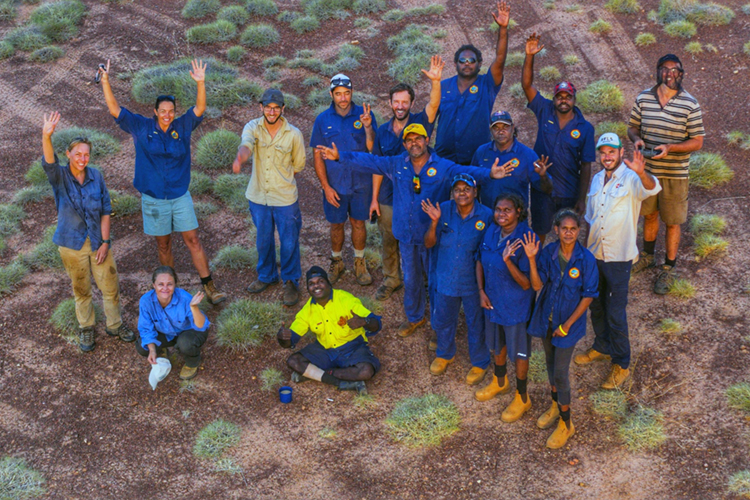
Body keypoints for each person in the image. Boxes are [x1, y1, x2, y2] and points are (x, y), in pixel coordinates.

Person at [316, 124, 510, 339]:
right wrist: (339, 157)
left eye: (418, 139)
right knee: (411, 279)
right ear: (405, 143)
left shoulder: (442, 166)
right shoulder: (397, 163)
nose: (414, 143)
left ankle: (440, 326)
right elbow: (370, 161)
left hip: (432, 236)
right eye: (409, 140)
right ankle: (415, 317)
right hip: (407, 236)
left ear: (427, 140)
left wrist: (490, 174)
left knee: (436, 282)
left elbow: (465, 171)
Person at [97, 59, 226, 304]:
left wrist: (201, 83)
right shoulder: (141, 127)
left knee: (193, 240)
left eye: (171, 111)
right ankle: (172, 291)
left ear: (175, 112)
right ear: (155, 112)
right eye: (163, 111)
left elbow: (199, 109)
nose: (167, 115)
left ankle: (209, 286)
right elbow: (115, 110)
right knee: (164, 245)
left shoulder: (182, 126)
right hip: (154, 199)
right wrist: (105, 81)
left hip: (179, 195)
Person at [41, 111, 135, 352]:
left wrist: (105, 242)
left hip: (97, 241)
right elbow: (49, 162)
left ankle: (115, 325)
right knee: (81, 289)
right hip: (71, 244)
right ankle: (86, 327)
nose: (82, 158)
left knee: (110, 286)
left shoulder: (96, 176)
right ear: (69, 155)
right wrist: (46, 135)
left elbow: (105, 209)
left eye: (86, 154)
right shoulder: (60, 176)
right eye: (78, 154)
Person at [576, 134, 661, 389]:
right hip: (595, 255)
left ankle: (622, 363)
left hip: (619, 258)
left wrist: (642, 173)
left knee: (615, 312)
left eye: (611, 151)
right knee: (597, 306)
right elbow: (590, 219)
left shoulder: (632, 177)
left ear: (620, 152)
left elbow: (652, 188)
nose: (607, 156)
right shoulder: (596, 179)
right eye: (603, 152)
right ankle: (602, 346)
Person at [628, 54, 705, 294]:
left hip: (675, 174)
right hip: (648, 171)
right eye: (665, 69)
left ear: (681, 73)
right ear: (658, 71)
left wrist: (670, 148)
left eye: (675, 70)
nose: (670, 73)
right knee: (649, 216)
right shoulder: (643, 98)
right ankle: (648, 256)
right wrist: (637, 139)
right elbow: (632, 127)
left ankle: (669, 268)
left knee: (672, 221)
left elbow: (697, 142)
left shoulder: (690, 104)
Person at [370, 55, 445, 301]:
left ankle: (423, 281)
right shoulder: (382, 131)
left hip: (417, 195)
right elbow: (377, 167)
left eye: (405, 101)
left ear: (411, 103)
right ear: (390, 103)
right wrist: (374, 200)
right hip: (389, 197)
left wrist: (435, 82)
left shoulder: (419, 124)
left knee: (421, 240)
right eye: (396, 101)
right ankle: (392, 278)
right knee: (389, 238)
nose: (400, 106)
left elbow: (433, 106)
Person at [525, 210, 598, 449]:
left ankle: (567, 424)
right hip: (547, 320)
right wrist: (532, 259)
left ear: (579, 231)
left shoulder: (586, 259)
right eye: (563, 228)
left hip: (568, 325)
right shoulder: (548, 253)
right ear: (556, 229)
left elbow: (588, 297)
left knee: (560, 373)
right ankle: (556, 405)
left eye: (573, 229)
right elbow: (537, 285)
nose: (568, 232)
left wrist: (566, 326)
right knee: (549, 364)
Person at [233, 88, 306, 306]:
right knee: (263, 239)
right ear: (261, 108)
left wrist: (281, 179)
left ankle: (291, 281)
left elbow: (299, 164)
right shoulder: (252, 127)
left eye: (276, 108)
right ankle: (267, 276)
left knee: (289, 241)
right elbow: (246, 144)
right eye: (268, 107)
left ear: (283, 109)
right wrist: (240, 158)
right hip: (258, 197)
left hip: (284, 199)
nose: (272, 112)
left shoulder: (294, 134)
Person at [522, 34, 595, 241]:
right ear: (554, 99)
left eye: (568, 97)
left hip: (568, 191)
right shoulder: (544, 110)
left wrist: (581, 198)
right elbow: (527, 86)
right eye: (559, 97)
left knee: (566, 235)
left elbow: (587, 164)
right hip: (541, 189)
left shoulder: (586, 128)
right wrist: (529, 56)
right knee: (540, 233)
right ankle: (537, 269)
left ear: (574, 99)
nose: (563, 100)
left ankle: (562, 271)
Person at [422, 174, 492, 384]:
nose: (462, 193)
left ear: (475, 192)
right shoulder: (442, 209)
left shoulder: (486, 215)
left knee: (476, 323)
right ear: (452, 193)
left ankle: (480, 362)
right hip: (446, 278)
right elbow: (428, 243)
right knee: (444, 320)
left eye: (467, 189)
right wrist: (434, 223)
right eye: (458, 189)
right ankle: (444, 354)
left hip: (473, 282)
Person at [475, 194, 537, 424]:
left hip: (515, 307)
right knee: (496, 345)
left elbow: (526, 283)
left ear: (518, 211)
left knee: (519, 353)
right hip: (492, 302)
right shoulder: (491, 231)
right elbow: (480, 260)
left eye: (507, 210)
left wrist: (508, 261)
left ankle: (522, 397)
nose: (501, 214)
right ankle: (500, 381)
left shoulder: (525, 238)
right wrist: (481, 291)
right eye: (498, 209)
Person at [310, 74, 377, 286]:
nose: (343, 98)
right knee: (336, 224)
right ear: (331, 94)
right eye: (338, 94)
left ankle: (359, 261)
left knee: (358, 223)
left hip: (361, 183)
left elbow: (372, 148)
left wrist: (367, 127)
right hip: (335, 185)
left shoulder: (364, 115)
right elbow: (317, 156)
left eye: (346, 93)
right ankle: (337, 261)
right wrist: (325, 186)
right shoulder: (322, 120)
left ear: (352, 93)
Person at [278, 266, 382, 395]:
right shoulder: (307, 311)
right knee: (294, 361)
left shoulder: (346, 299)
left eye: (320, 281)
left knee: (366, 371)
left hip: (352, 348)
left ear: (328, 283)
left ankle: (316, 374)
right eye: (311, 284)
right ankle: (341, 382)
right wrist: (283, 339)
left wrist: (364, 322)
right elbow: (290, 340)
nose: (316, 286)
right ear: (308, 289)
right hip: (325, 350)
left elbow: (376, 324)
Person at [434, 1, 510, 165]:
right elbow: (430, 116)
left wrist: (502, 29)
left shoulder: (487, 84)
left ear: (479, 64)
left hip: (477, 160)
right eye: (462, 60)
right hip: (444, 160)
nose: (467, 63)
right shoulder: (443, 86)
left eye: (471, 60)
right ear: (455, 64)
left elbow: (500, 59)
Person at [135, 266, 210, 381]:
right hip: (167, 333)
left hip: (190, 331)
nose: (165, 288)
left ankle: (192, 362)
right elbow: (145, 328)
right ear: (154, 285)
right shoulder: (146, 301)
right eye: (160, 284)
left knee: (185, 343)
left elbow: (201, 325)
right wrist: (152, 350)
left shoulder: (184, 298)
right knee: (142, 346)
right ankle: (162, 350)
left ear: (175, 285)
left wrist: (193, 307)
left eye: (169, 284)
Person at [471, 110, 553, 211]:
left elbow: (547, 189)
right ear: (490, 130)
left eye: (505, 127)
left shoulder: (527, 154)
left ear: (513, 128)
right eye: (496, 128)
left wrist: (543, 176)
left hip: (517, 220)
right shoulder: (481, 152)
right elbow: (473, 183)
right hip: (489, 218)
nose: (501, 131)